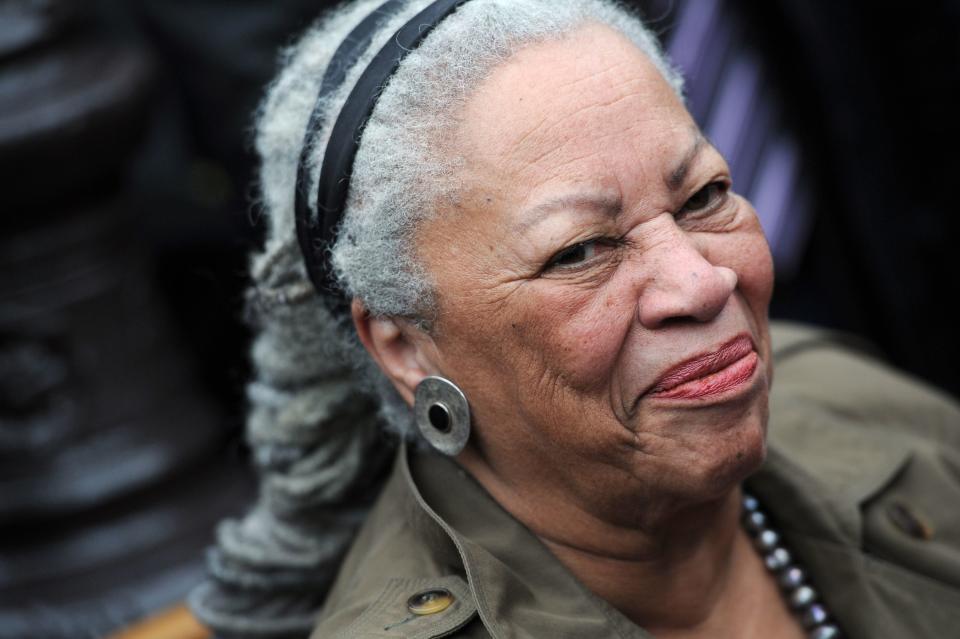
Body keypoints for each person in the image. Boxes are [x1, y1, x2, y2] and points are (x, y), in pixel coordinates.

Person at [190, 0, 960, 637]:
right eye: (581, 250)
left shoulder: (848, 390)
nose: (700, 281)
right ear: (405, 344)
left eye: (704, 196)